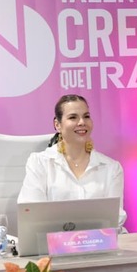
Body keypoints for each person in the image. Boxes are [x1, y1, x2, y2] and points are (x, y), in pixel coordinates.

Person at [18, 94, 127, 228]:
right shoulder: (39, 163)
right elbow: (32, 214)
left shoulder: (111, 168)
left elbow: (115, 218)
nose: (82, 122)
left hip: (98, 239)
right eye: (73, 117)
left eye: (86, 116)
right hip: (49, 240)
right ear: (57, 125)